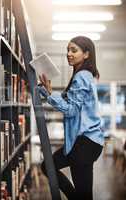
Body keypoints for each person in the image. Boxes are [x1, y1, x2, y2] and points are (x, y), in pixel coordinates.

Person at [37, 36, 104, 200]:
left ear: (86, 54)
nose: (69, 53)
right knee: (84, 192)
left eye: (74, 50)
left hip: (84, 143)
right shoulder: (85, 75)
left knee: (48, 166)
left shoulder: (81, 76)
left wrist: (50, 94)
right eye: (68, 49)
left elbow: (71, 110)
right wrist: (47, 91)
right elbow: (70, 102)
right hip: (89, 142)